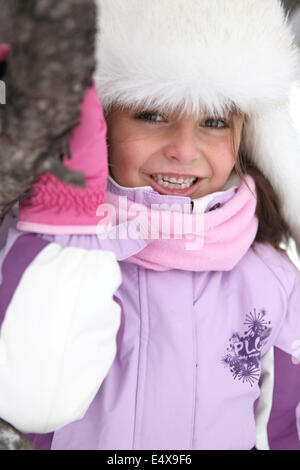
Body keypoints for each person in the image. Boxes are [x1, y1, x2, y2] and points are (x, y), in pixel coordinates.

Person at [0, 0, 300, 450]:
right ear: (100, 120)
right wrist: (68, 225)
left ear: (244, 136)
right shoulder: (39, 245)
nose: (183, 148)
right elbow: (27, 396)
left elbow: (280, 428)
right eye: (152, 114)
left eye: (214, 121)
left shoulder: (270, 279)